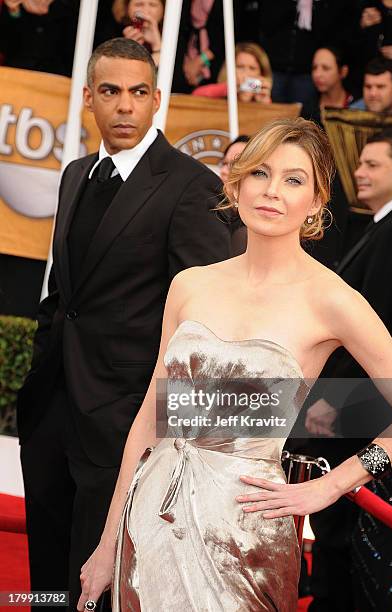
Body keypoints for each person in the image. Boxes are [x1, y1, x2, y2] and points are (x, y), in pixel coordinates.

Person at [77, 118, 392, 612]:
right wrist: (107, 543)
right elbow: (151, 418)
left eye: (294, 180)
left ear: (316, 202)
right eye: (260, 173)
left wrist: (331, 486)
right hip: (149, 520)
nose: (272, 191)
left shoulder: (333, 300)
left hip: (245, 538)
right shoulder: (191, 284)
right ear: (236, 183)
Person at [17, 37, 232, 610]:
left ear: (157, 98)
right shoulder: (75, 174)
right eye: (110, 92)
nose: (125, 107)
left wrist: (164, 415)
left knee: (101, 581)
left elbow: (204, 317)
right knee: (46, 581)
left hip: (124, 421)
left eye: (138, 93)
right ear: (89, 97)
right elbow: (65, 294)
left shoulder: (190, 185)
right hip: (53, 410)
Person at [252, 127, 392, 611]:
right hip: (332, 411)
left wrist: (336, 474)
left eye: (374, 164)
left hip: (357, 410)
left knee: (344, 542)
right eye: (260, 173)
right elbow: (173, 406)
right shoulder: (193, 285)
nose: (360, 172)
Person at [192, 41, 272, 104]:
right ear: (230, 70)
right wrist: (231, 88)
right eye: (240, 67)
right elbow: (196, 95)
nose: (246, 74)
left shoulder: (263, 96)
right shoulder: (223, 92)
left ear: (261, 73)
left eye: (252, 68)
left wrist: (264, 102)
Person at [302, 47, 353, 123]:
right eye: (314, 68)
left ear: (343, 71)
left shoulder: (356, 105)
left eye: (325, 68)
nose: (317, 74)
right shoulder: (309, 108)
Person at [112, 0, 165, 66]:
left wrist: (157, 46)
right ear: (126, 8)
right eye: (139, 4)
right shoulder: (114, 36)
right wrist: (127, 48)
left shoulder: (173, 36)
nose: (146, 11)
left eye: (152, 5)